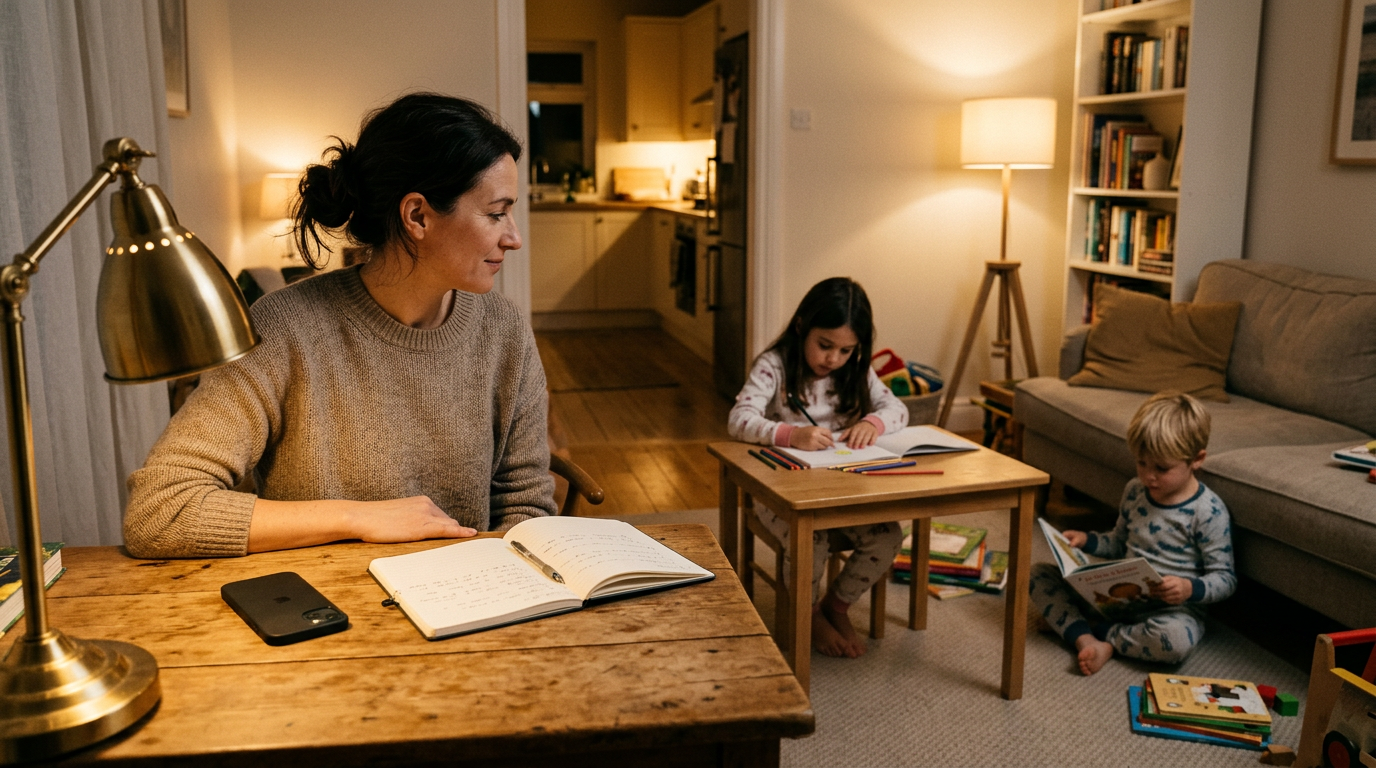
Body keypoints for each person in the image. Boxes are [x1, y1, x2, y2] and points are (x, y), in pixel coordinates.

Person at [124, 93, 555, 558]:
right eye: (496, 213)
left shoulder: (503, 328)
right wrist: (358, 517)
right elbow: (160, 510)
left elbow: (526, 504)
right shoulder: (282, 328)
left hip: (467, 606)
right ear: (418, 216)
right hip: (324, 613)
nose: (514, 238)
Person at [728, 277, 907, 658]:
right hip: (783, 494)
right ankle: (806, 613)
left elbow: (898, 410)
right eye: (825, 346)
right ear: (801, 327)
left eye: (845, 350)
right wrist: (791, 434)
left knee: (888, 535)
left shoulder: (855, 369)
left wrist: (872, 423)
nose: (833, 359)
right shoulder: (773, 366)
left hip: (843, 490)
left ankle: (835, 606)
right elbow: (738, 419)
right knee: (813, 538)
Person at [1030, 391, 1235, 675]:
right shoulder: (1135, 491)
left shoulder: (1209, 511)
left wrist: (1189, 588)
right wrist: (1086, 540)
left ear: (1196, 459)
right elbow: (1117, 544)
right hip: (1115, 601)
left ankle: (1089, 633)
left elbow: (1225, 579)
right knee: (1039, 574)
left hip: (1170, 612)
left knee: (1174, 642)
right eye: (1141, 463)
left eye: (1161, 468)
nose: (1148, 475)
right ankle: (1089, 638)